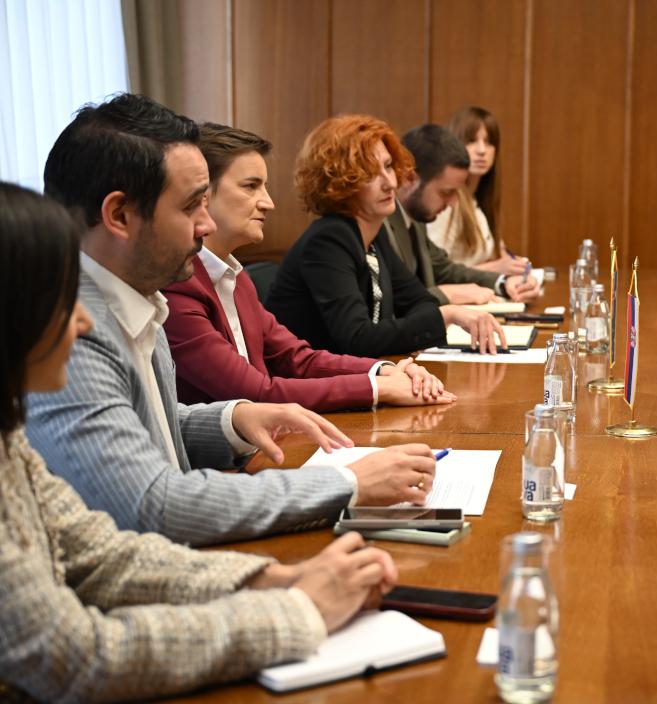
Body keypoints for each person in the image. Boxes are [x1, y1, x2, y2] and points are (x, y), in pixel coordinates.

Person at [0, 181, 400, 701]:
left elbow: (102, 558)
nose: (82, 319)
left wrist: (273, 579)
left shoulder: (9, 440)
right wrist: (297, 610)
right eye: (59, 297)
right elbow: (72, 655)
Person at [27, 94, 438, 547]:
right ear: (120, 215)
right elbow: (152, 504)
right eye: (191, 206)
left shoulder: (138, 295)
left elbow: (149, 426)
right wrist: (349, 484)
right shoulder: (64, 331)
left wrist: (234, 418)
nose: (205, 225)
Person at [162, 122, 456, 411]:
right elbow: (254, 393)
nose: (268, 203)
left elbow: (296, 357)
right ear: (202, 195)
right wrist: (378, 388)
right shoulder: (179, 284)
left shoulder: (236, 277)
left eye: (264, 187)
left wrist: (384, 370)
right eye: (251, 186)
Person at [266, 114, 507, 355]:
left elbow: (419, 301)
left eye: (389, 166)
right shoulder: (329, 240)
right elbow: (357, 338)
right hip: (299, 377)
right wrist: (447, 315)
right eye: (370, 173)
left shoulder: (375, 233)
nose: (390, 182)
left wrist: (438, 316)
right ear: (341, 182)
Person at [382, 124, 539, 305]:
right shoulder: (381, 223)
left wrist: (503, 283)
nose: (453, 203)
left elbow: (444, 270)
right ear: (409, 179)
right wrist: (445, 294)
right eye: (446, 192)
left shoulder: (415, 217)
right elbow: (392, 302)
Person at [427, 105, 528, 274]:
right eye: (471, 141)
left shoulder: (477, 202)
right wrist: (497, 268)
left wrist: (510, 264)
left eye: (489, 142)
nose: (482, 150)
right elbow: (434, 273)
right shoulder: (447, 202)